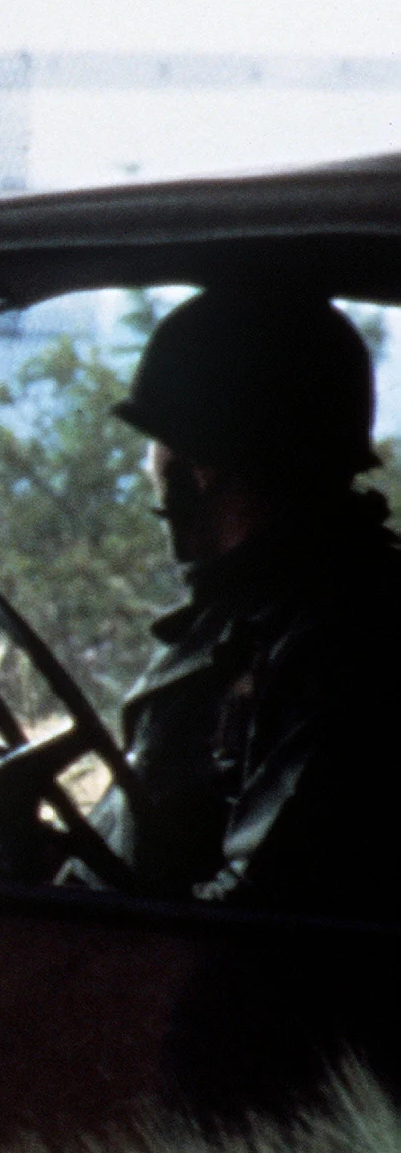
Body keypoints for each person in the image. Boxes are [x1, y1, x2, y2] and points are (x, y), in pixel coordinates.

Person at [96, 284, 401, 919]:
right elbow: (141, 851)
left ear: (192, 468)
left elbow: (253, 920)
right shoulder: (259, 615)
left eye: (157, 443)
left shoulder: (344, 641)